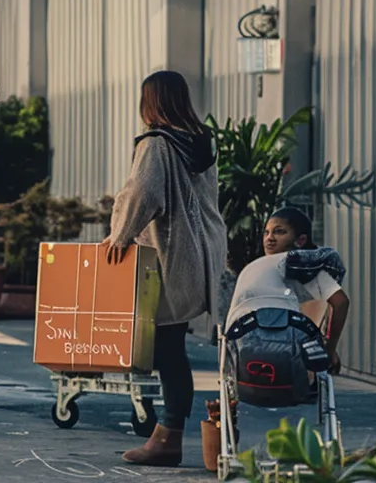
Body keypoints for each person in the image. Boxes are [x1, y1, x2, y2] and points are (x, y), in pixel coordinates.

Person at [99, 70, 226, 467]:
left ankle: (168, 438)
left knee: (166, 352)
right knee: (173, 348)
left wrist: (119, 235)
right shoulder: (200, 141)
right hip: (203, 254)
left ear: (150, 102)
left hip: (171, 255)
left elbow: (143, 192)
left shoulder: (156, 143)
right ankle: (167, 434)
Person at [227, 208, 350, 375]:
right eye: (266, 233)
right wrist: (330, 348)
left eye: (279, 232)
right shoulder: (307, 267)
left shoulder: (252, 268)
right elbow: (341, 302)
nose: (269, 238)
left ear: (301, 240)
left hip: (244, 345)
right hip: (286, 352)